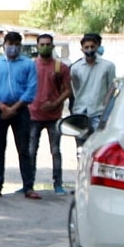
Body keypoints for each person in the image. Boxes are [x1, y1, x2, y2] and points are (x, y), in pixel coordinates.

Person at [0, 31, 40, 200]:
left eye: (16, 44)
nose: (13, 47)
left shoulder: (28, 64)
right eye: (10, 44)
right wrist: (1, 106)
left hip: (20, 109)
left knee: (24, 150)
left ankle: (28, 187)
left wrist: (14, 107)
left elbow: (31, 88)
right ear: (4, 45)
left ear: (20, 46)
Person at [28, 33, 72, 194]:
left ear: (53, 46)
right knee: (31, 150)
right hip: (33, 116)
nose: (45, 47)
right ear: (37, 46)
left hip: (54, 117)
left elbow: (68, 90)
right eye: (42, 44)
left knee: (55, 151)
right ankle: (29, 184)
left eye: (48, 44)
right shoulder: (31, 66)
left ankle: (58, 184)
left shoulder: (61, 67)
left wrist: (55, 103)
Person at [69, 33, 116, 132]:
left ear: (97, 47)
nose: (89, 49)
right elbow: (76, 89)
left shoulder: (108, 66)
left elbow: (111, 87)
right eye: (86, 47)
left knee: (98, 144)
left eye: (92, 47)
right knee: (81, 145)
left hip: (99, 112)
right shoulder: (76, 68)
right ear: (82, 49)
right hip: (80, 111)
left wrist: (106, 105)